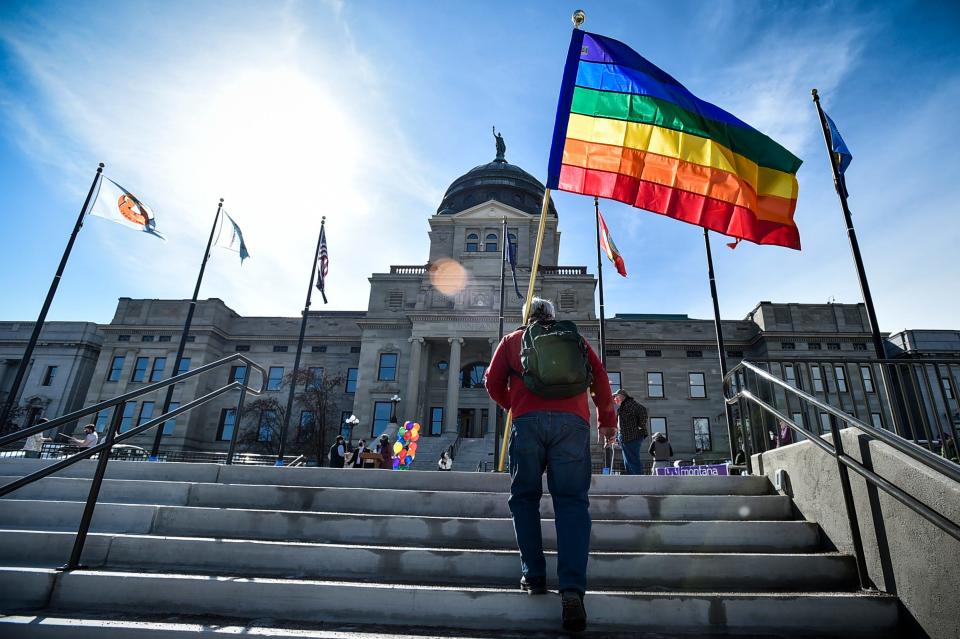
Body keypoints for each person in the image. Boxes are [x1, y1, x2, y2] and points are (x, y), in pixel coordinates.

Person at [485, 297, 615, 633]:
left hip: (528, 424)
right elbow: (600, 379)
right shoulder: (576, 339)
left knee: (525, 499)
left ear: (526, 317)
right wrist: (606, 421)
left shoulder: (513, 340)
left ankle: (534, 574)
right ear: (554, 317)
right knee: (572, 504)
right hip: (572, 425)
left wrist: (514, 405)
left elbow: (491, 381)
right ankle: (572, 591)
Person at [612, 389, 647, 475]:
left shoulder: (629, 403)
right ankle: (633, 480)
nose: (614, 399)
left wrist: (640, 426)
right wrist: (617, 438)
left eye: (616, 397)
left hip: (632, 436)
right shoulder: (623, 406)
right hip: (626, 437)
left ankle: (637, 480)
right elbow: (621, 425)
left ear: (622, 397)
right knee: (628, 461)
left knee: (632, 460)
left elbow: (643, 410)